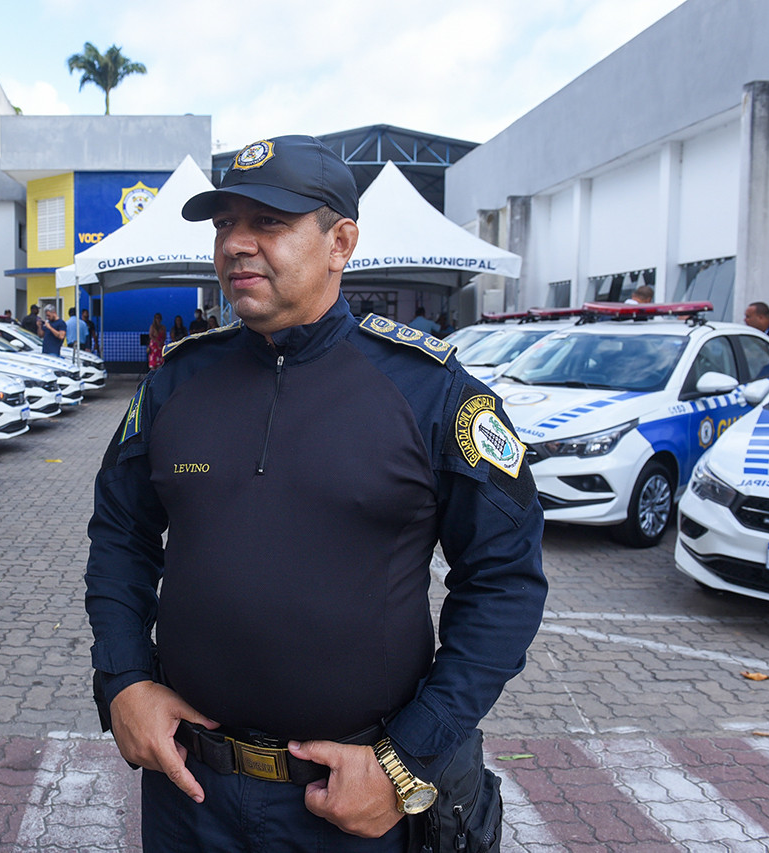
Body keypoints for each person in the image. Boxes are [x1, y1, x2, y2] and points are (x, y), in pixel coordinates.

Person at [85, 134, 547, 852]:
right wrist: (121, 680)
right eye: (223, 223)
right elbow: (121, 531)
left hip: (352, 805)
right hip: (190, 794)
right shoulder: (176, 383)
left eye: (267, 222)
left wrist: (407, 762)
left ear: (341, 242)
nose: (236, 243)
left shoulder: (430, 391)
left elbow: (505, 580)